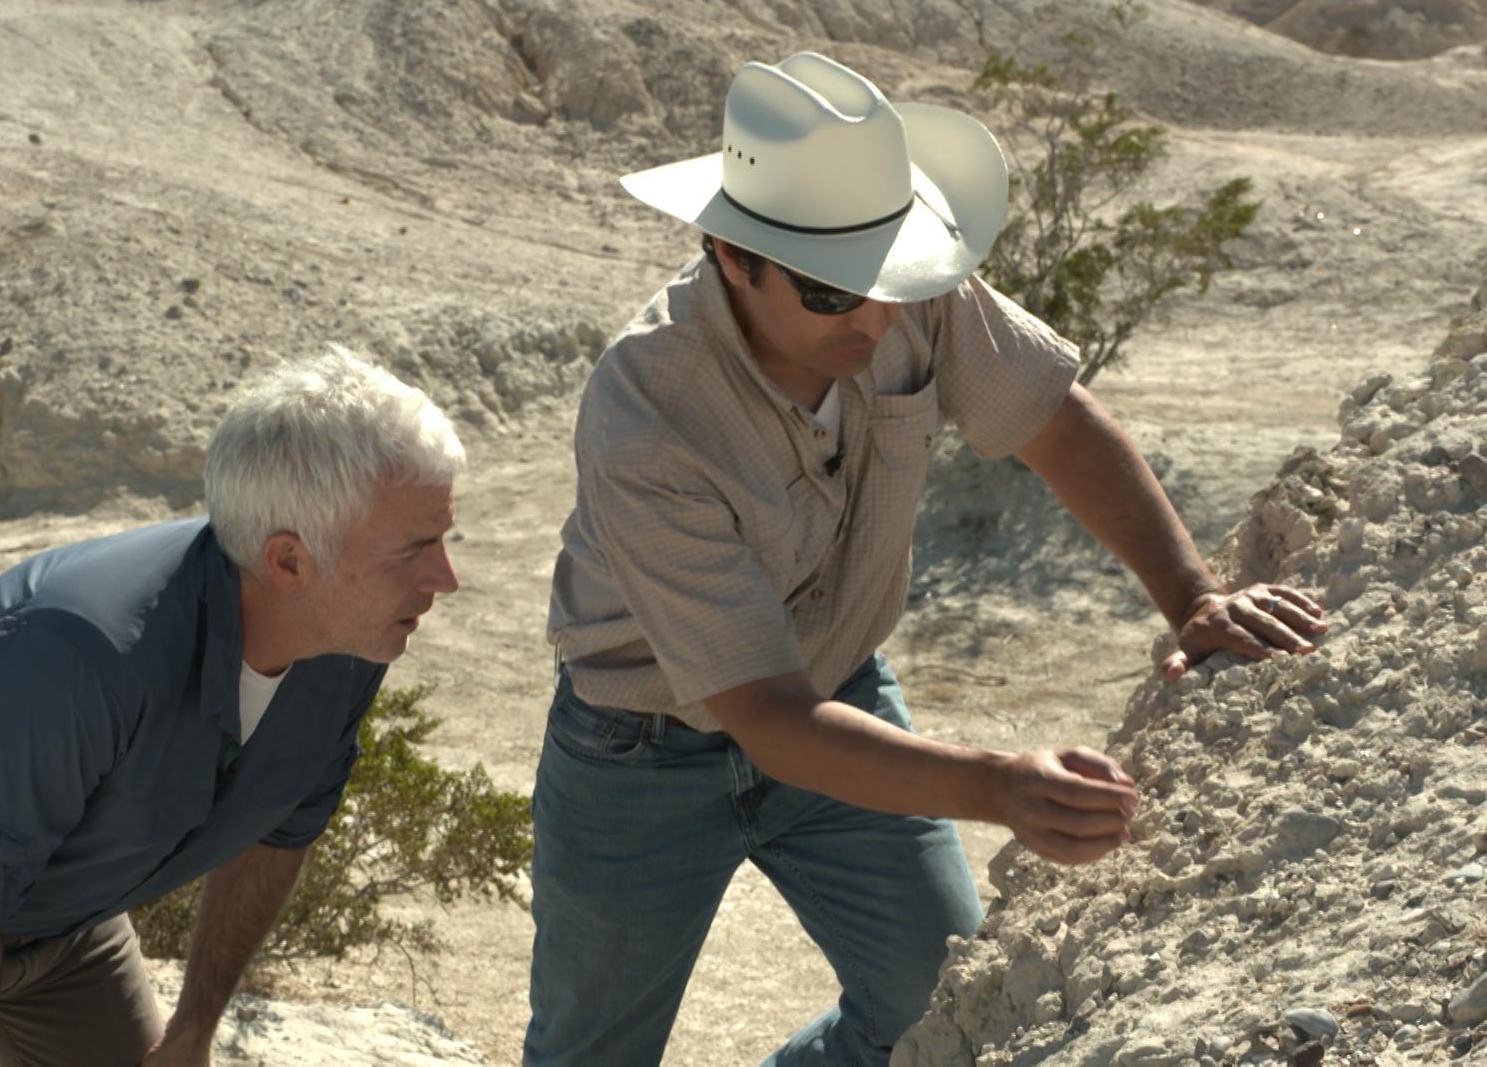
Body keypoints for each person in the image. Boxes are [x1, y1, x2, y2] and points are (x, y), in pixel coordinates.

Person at [526, 53, 1327, 1066]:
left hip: (842, 700)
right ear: (733, 255)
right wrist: (999, 786)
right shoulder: (647, 416)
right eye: (833, 291)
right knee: (590, 1053)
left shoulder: (910, 297)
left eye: (892, 272)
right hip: (636, 755)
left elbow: (1054, 420)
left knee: (935, 1015)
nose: (875, 316)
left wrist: (1193, 597)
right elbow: (764, 716)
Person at [0, 346, 464, 1066]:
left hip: (60, 917)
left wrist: (193, 1029)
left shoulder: (344, 641)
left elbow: (280, 828)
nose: (447, 577)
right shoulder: (85, 651)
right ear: (288, 561)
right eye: (414, 550)